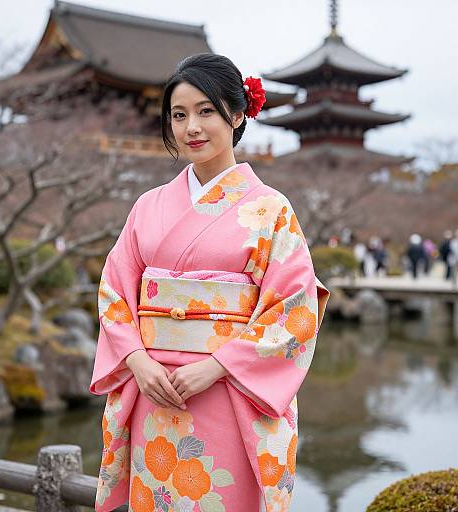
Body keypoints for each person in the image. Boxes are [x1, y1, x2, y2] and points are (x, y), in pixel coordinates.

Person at [89, 53, 330, 512]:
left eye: (206, 111)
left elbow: (294, 310)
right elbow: (115, 291)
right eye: (179, 115)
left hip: (227, 390)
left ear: (238, 115)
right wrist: (137, 362)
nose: (191, 128)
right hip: (153, 389)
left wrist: (215, 366)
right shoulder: (148, 206)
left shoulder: (270, 209)